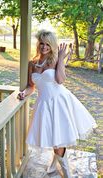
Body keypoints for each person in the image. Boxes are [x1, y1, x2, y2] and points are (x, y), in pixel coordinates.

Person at [18, 30, 97, 177]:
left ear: (52, 45)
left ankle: (67, 173)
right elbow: (31, 86)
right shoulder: (32, 63)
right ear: (38, 44)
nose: (44, 47)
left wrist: (60, 58)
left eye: (47, 44)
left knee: (58, 141)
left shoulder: (54, 60)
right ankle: (54, 166)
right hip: (44, 105)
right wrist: (24, 93)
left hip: (59, 103)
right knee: (55, 138)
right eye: (42, 43)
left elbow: (60, 80)